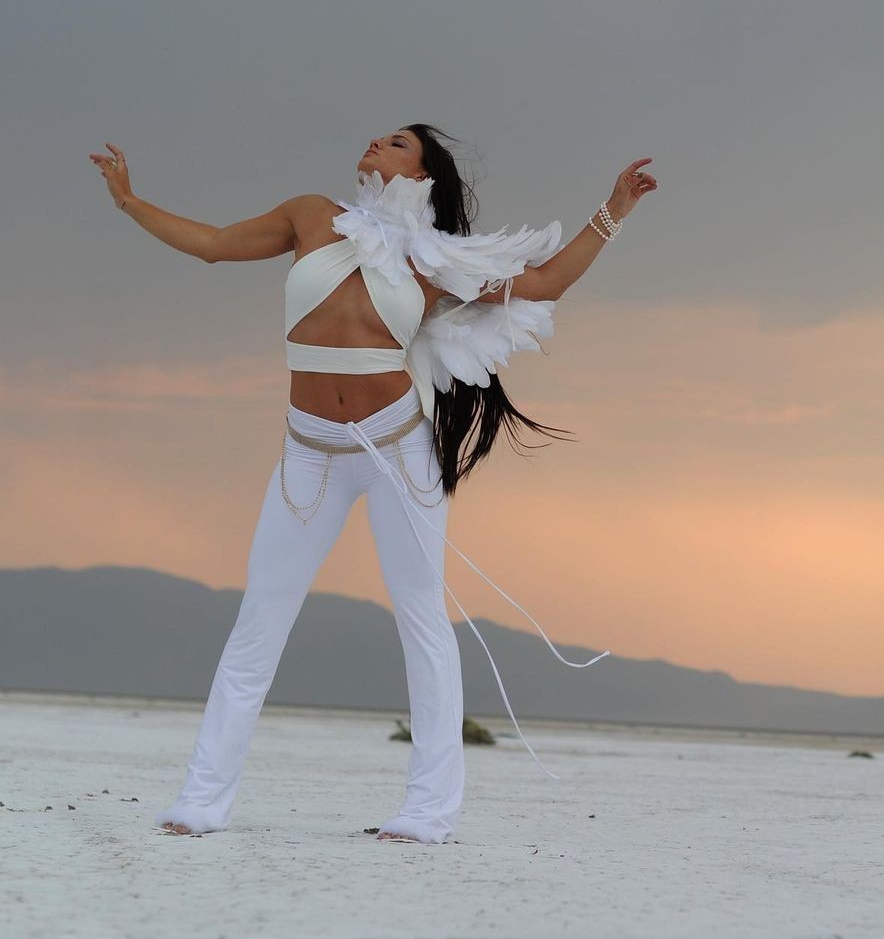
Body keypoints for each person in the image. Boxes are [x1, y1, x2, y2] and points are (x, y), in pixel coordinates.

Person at [89, 126, 658, 843]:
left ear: (422, 172)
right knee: (260, 619)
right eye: (377, 138)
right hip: (309, 451)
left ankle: (428, 811)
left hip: (398, 448)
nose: (376, 144)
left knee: (422, 618)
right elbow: (212, 244)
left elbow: (546, 284)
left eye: (396, 143)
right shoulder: (310, 216)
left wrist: (613, 209)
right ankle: (202, 799)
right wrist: (129, 202)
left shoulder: (435, 262)